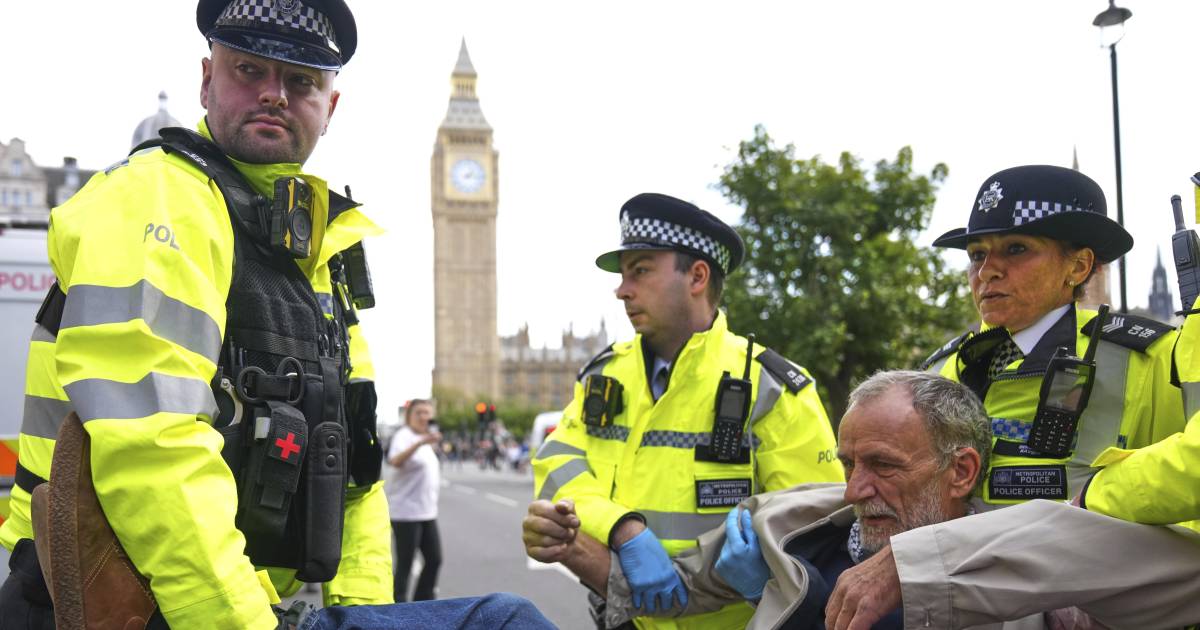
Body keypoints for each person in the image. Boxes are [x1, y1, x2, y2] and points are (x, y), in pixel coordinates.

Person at [0, 1, 552, 628]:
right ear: (207, 80)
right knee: (505, 620)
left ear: (330, 107)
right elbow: (155, 448)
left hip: (242, 599)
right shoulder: (157, 200)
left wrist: (365, 612)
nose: (274, 95)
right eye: (249, 70)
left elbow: (354, 472)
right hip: (134, 602)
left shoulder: (317, 254)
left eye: (300, 81)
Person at [524, 371, 1200, 630]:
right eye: (848, 463)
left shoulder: (1037, 566)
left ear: (961, 471)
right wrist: (577, 546)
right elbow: (663, 589)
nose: (854, 490)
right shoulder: (786, 527)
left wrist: (911, 565)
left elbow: (1175, 577)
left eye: (881, 466)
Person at [532, 192, 844, 628]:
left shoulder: (772, 388)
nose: (622, 290)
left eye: (639, 271)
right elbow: (556, 467)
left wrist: (761, 581)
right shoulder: (603, 378)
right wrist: (623, 528)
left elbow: (819, 533)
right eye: (623, 275)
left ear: (697, 276)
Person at [917, 165, 1186, 508]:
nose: (987, 272)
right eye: (977, 255)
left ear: (1077, 267)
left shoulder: (1151, 359)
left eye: (1016, 249)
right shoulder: (941, 369)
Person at [386, 399, 443, 603]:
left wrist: (425, 442)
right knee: (405, 565)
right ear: (409, 415)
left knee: (435, 559)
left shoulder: (426, 439)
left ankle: (422, 602)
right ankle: (398, 606)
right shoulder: (405, 436)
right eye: (419, 412)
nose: (424, 417)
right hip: (406, 513)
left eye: (427, 413)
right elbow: (394, 461)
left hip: (427, 512)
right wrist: (419, 443)